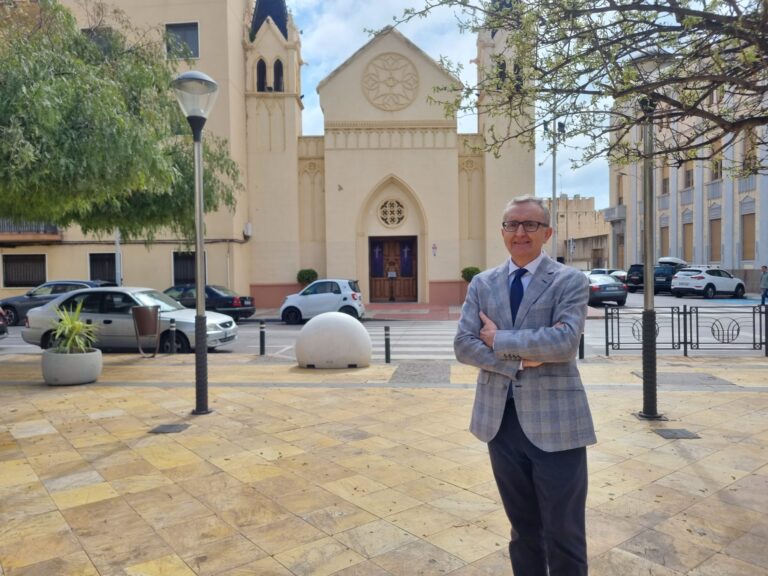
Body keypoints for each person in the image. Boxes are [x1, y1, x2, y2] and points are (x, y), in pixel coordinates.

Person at [455, 195, 595, 576]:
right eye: (511, 224)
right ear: (502, 231)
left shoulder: (570, 280)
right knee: (523, 530)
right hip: (500, 424)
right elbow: (464, 346)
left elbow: (564, 342)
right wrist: (524, 360)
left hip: (557, 426)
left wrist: (500, 341)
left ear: (547, 232)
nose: (520, 232)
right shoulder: (483, 284)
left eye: (530, 225)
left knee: (564, 533)